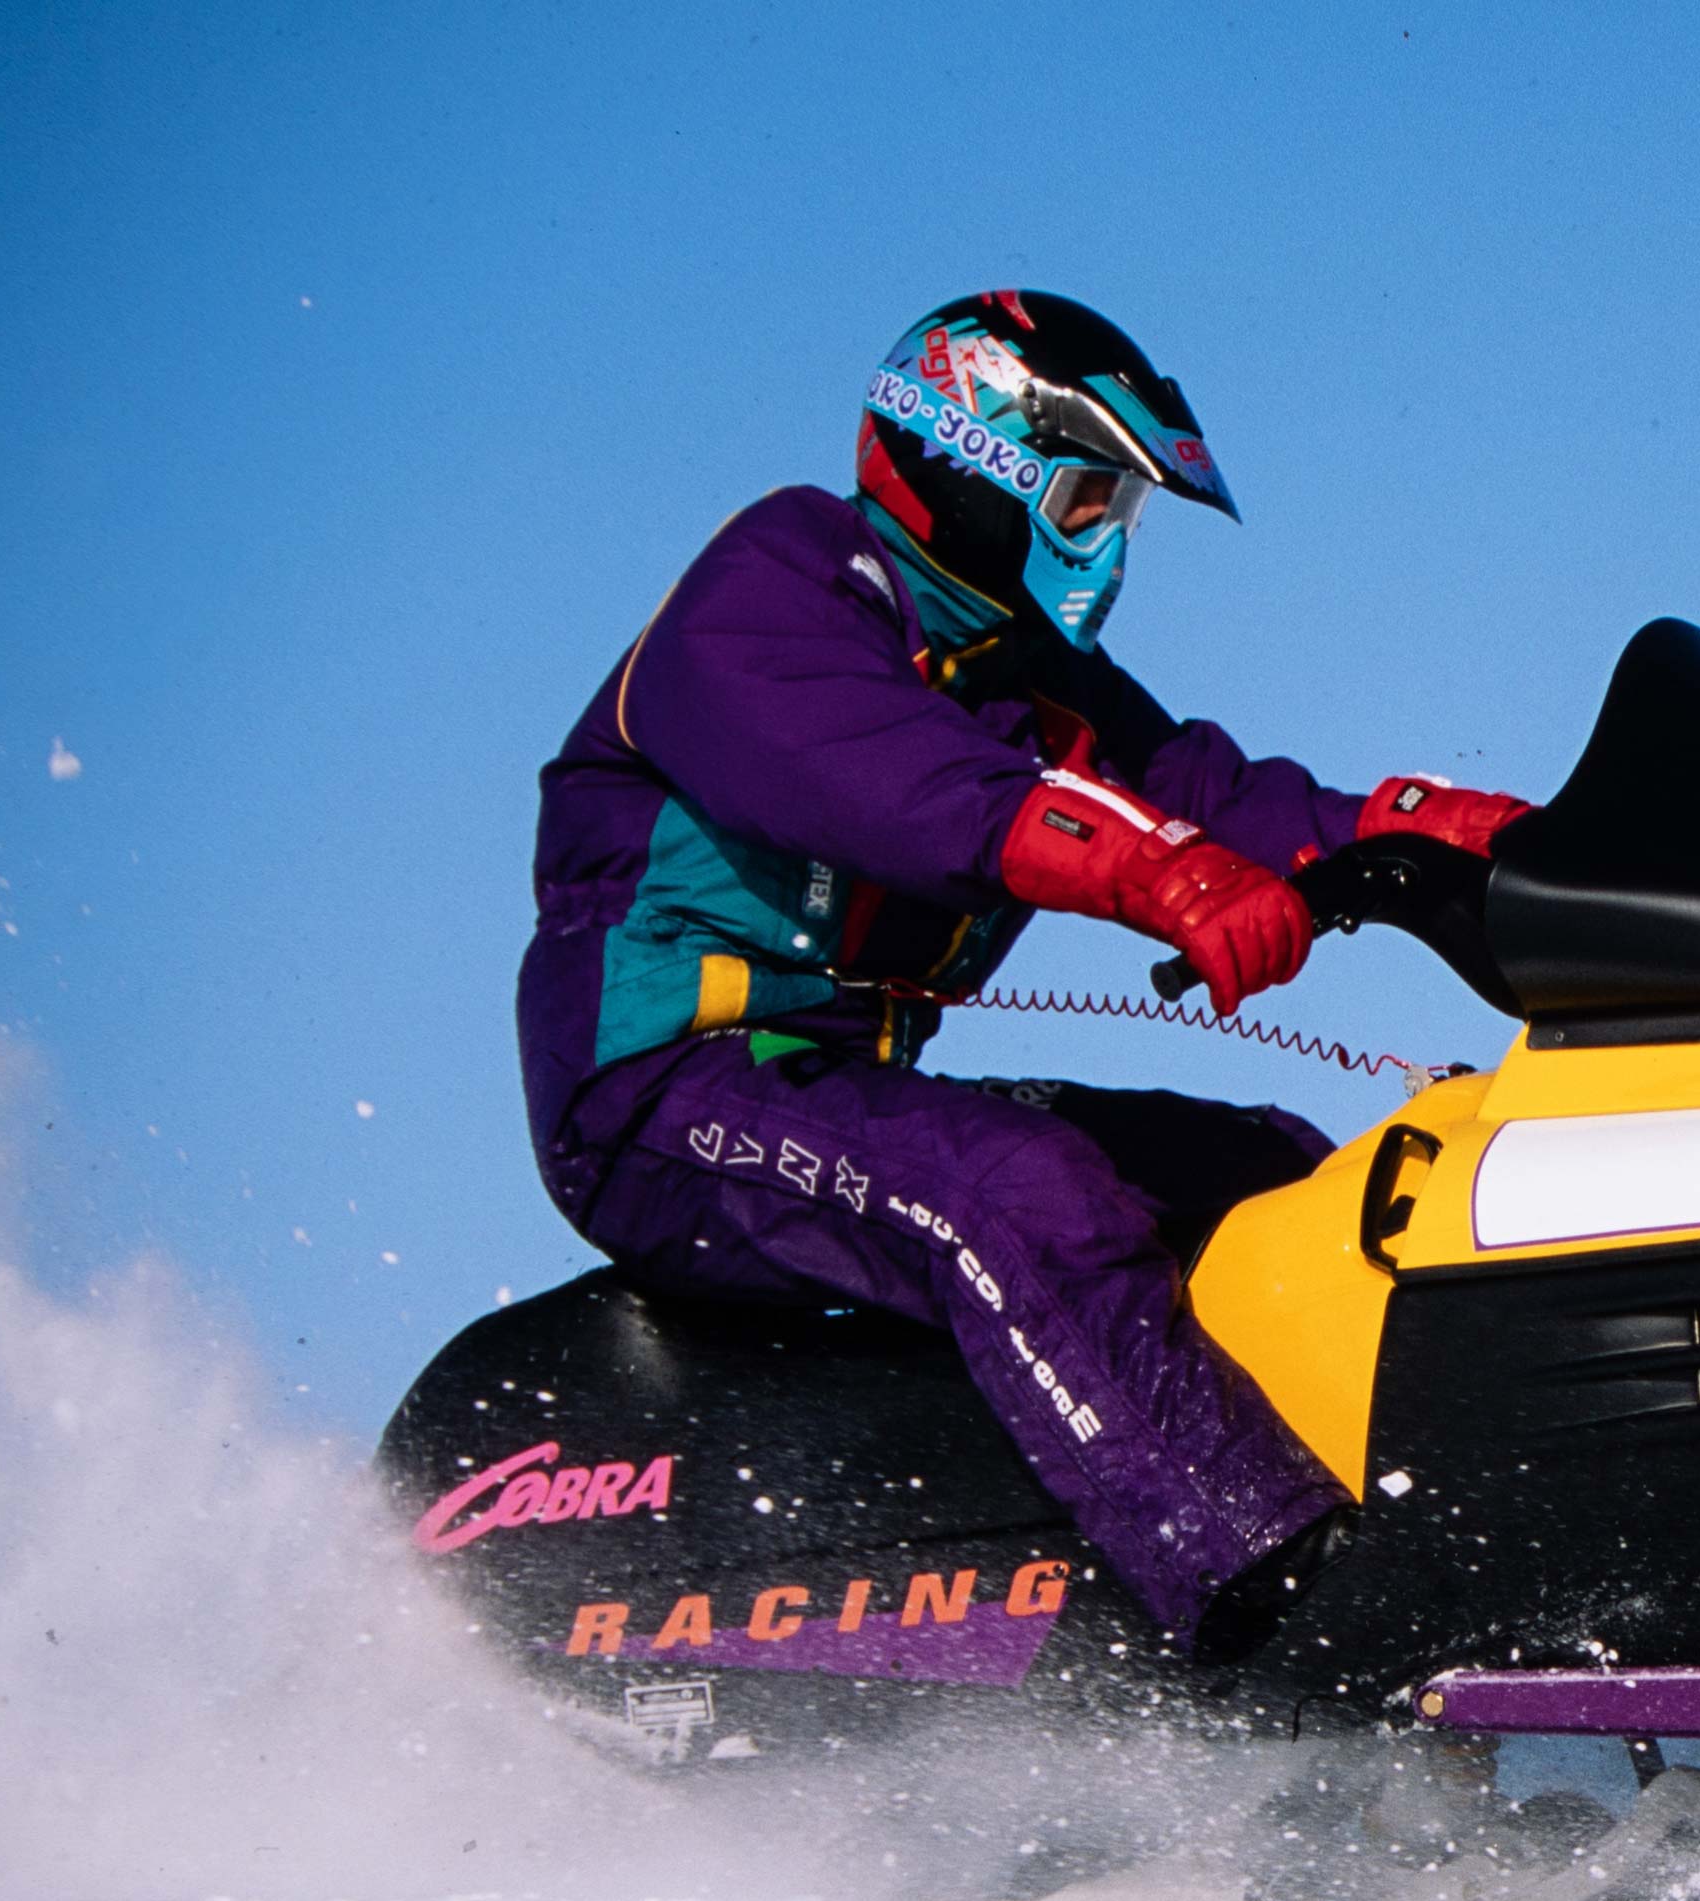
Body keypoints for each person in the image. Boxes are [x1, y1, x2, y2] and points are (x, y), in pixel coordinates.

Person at [515, 290, 1529, 1655]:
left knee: (1272, 1168)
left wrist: (1443, 833)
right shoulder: (782, 584)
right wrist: (1155, 871)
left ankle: (1372, 1523)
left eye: (1125, 518)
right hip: (658, 1104)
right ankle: (1269, 1608)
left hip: (839, 1089)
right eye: (1089, 502)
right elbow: (897, 785)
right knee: (1015, 1189)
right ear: (972, 465)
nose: (1109, 553)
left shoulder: (1026, 672)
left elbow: (1216, 795)